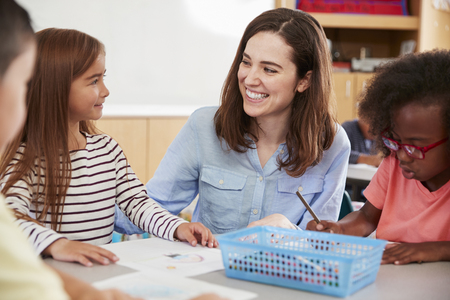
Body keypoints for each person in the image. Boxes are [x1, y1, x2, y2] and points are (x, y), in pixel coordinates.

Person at [0, 27, 218, 268]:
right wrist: (58, 245)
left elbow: (138, 203)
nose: (105, 90)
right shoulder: (25, 159)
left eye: (104, 78)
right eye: (94, 81)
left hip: (99, 273)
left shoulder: (107, 150)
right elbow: (9, 219)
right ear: (56, 88)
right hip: (52, 280)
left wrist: (177, 227)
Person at [145, 8, 350, 233]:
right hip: (208, 267)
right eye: (246, 62)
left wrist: (291, 233)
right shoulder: (204, 126)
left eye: (269, 69)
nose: (249, 79)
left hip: (284, 268)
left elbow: (323, 238)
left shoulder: (333, 143)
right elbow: (147, 208)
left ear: (304, 81)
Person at [307, 49, 450, 265]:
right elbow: (366, 218)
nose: (402, 154)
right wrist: (339, 230)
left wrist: (437, 249)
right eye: (394, 140)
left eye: (415, 146)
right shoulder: (393, 163)